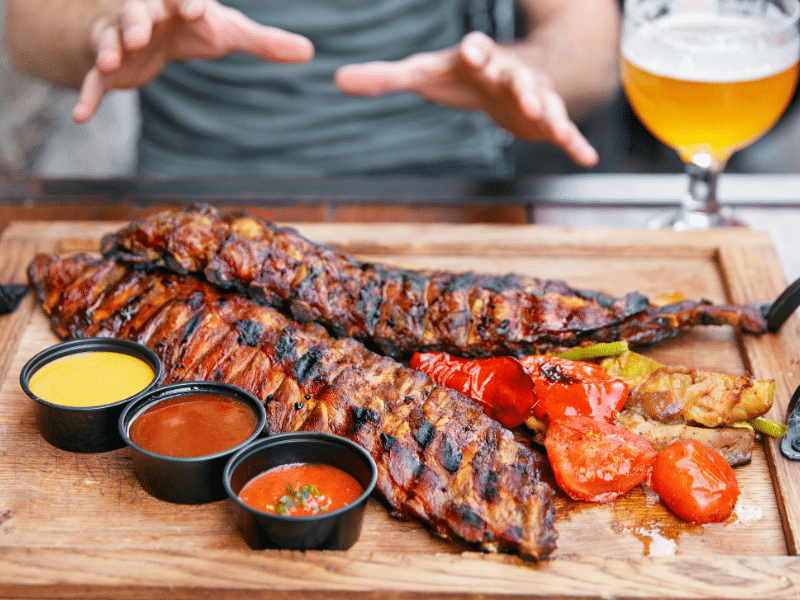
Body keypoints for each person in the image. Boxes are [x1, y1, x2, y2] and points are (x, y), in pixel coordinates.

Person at [4, 0, 620, 178]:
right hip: (196, 187)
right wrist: (104, 29)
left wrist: (538, 70)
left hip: (443, 180)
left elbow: (588, 41)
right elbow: (29, 26)